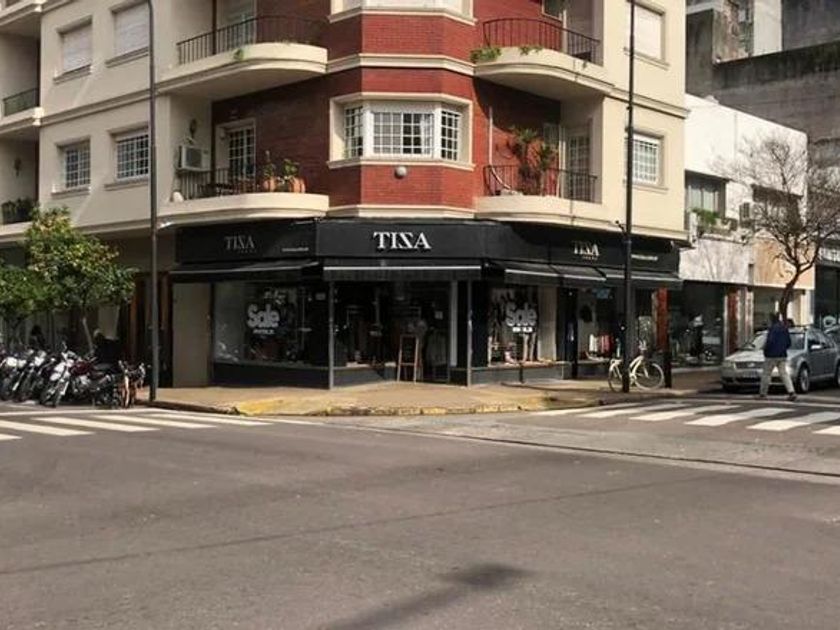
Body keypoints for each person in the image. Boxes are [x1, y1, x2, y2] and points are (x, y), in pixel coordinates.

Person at [759, 313, 797, 401]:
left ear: (772, 320)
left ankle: (763, 394)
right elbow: (788, 342)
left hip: (771, 355)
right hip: (782, 355)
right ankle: (791, 392)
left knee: (766, 374)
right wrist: (783, 348)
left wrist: (765, 350)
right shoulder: (784, 328)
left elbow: (770, 341)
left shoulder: (772, 329)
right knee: (784, 374)